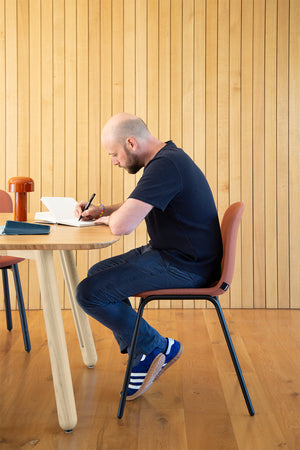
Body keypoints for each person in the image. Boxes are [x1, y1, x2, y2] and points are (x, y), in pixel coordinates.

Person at [75, 113, 222, 401]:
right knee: (96, 274)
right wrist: (103, 210)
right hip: (176, 255)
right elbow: (138, 203)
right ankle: (145, 348)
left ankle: (156, 347)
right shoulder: (166, 159)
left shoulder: (165, 166)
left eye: (114, 155)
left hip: (186, 266)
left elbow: (123, 225)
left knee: (89, 292)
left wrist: (110, 220)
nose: (115, 162)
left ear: (131, 142)